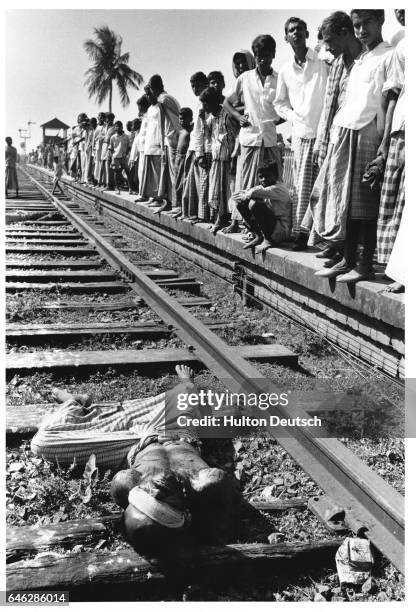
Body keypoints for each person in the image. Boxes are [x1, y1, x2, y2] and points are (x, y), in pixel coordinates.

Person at [31, 366, 241, 557]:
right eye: (160, 505)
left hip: (132, 445)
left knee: (43, 443)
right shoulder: (203, 486)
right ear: (184, 514)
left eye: (146, 497)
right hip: (177, 432)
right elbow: (222, 490)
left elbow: (123, 481)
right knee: (186, 393)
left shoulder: (128, 485)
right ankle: (186, 381)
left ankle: (74, 402)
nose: (157, 490)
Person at [311, 10, 393, 283]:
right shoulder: (361, 59)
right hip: (344, 132)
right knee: (342, 203)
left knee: (363, 206)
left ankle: (364, 263)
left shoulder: (388, 54)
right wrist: (334, 135)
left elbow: (384, 103)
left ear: (380, 21)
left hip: (366, 132)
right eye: (356, 25)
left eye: (366, 24)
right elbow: (347, 102)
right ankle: (346, 259)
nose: (361, 31)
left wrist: (383, 145)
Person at [302, 11, 363, 266]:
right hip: (336, 134)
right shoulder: (338, 63)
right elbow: (329, 104)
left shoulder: (363, 59)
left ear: (344, 33)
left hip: (356, 134)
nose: (328, 47)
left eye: (330, 40)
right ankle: (335, 245)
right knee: (329, 194)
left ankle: (347, 251)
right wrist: (322, 141)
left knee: (349, 199)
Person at [274, 17, 328, 250]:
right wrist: (293, 117)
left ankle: (324, 237)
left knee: (325, 186)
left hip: (324, 131)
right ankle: (302, 234)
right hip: (301, 133)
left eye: (299, 29)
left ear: (307, 33)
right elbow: (280, 103)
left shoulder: (322, 61)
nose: (295, 33)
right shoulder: (286, 70)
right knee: (303, 187)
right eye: (291, 31)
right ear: (286, 37)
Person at [223, 35, 284, 208]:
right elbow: (227, 102)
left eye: (266, 55)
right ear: (255, 56)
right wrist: (238, 116)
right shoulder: (245, 78)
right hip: (250, 139)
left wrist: (273, 122)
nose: (262, 59)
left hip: (270, 140)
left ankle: (268, 223)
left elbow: (287, 108)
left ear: (273, 55)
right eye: (258, 56)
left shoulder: (279, 80)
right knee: (247, 182)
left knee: (272, 184)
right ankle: (247, 225)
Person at [376, 15, 405, 292]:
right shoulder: (403, 47)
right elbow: (393, 97)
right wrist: (385, 140)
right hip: (402, 130)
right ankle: (399, 271)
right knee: (397, 205)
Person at [222, 49, 256, 235]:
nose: (241, 66)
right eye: (238, 63)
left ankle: (250, 223)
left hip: (251, 140)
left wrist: (241, 108)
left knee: (250, 183)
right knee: (236, 183)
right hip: (236, 143)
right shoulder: (236, 87)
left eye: (244, 62)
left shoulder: (255, 84)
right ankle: (235, 221)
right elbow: (227, 106)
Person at [199, 87, 237, 234]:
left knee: (230, 191)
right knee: (217, 192)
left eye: (206, 104)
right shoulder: (211, 118)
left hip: (228, 158)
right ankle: (220, 219)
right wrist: (203, 119)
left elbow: (235, 136)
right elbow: (208, 135)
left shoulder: (227, 115)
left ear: (214, 103)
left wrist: (234, 156)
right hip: (217, 158)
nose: (204, 107)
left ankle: (231, 221)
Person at [233, 161, 292, 253]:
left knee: (255, 204)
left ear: (276, 176)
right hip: (272, 227)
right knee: (240, 204)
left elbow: (253, 192)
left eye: (267, 176)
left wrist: (245, 195)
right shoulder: (264, 187)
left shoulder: (279, 188)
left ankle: (268, 240)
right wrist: (244, 195)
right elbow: (240, 194)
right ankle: (259, 236)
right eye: (261, 177)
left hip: (281, 230)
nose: (263, 179)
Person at [148, 74, 181, 210]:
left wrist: (172, 138)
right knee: (170, 173)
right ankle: (170, 201)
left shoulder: (163, 99)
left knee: (173, 173)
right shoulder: (168, 98)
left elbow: (169, 121)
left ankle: (175, 204)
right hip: (171, 139)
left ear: (152, 88)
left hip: (172, 139)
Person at [178, 72, 208, 220]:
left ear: (205, 84)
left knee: (199, 185)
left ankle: (198, 215)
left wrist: (200, 151)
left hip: (199, 148)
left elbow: (203, 129)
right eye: (192, 86)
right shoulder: (199, 103)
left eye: (197, 85)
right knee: (190, 184)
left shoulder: (205, 103)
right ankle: (190, 212)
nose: (194, 88)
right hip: (194, 147)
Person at [168, 107, 193, 217]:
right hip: (178, 158)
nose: (181, 121)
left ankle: (182, 207)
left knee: (183, 183)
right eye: (180, 119)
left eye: (183, 119)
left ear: (190, 118)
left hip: (185, 158)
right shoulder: (181, 131)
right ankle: (176, 205)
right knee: (176, 182)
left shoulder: (191, 131)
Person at [134, 94, 151, 202]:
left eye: (141, 107)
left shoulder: (149, 115)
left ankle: (145, 194)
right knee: (141, 172)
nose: (140, 110)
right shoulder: (144, 117)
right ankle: (142, 193)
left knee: (145, 173)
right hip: (142, 149)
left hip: (147, 148)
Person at [109, 121, 132, 195]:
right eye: (116, 126)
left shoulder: (126, 136)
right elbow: (110, 148)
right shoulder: (113, 137)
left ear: (122, 127)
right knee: (117, 173)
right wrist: (113, 157)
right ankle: (117, 188)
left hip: (124, 157)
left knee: (128, 172)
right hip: (116, 157)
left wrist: (126, 153)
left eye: (119, 126)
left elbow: (129, 147)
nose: (118, 127)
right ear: (115, 128)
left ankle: (130, 188)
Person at [100, 112, 117, 191]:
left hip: (109, 147)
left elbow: (108, 139)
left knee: (108, 166)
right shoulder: (106, 127)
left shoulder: (113, 128)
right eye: (107, 119)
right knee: (104, 166)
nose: (108, 120)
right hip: (104, 146)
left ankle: (109, 184)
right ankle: (104, 183)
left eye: (110, 119)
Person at [128, 117, 142, 194]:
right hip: (132, 157)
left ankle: (135, 189)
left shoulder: (140, 134)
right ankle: (132, 189)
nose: (132, 127)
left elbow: (138, 147)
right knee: (131, 173)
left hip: (137, 157)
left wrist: (134, 158)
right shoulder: (135, 134)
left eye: (133, 125)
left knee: (135, 174)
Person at [93, 112, 106, 187]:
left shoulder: (104, 127)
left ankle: (101, 180)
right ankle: (96, 179)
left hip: (102, 147)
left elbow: (105, 135)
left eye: (101, 117)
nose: (100, 119)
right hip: (97, 147)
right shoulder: (97, 127)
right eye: (99, 117)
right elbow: (94, 138)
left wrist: (100, 137)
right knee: (97, 163)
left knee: (101, 163)